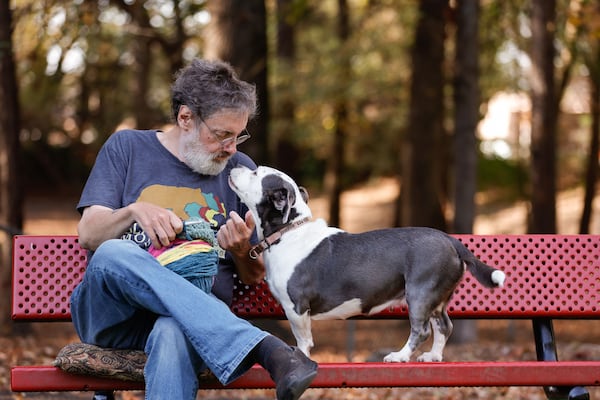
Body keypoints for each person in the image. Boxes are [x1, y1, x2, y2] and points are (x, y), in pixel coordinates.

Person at [71, 58, 317, 400]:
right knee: (113, 251)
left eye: (238, 135)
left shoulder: (240, 172)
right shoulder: (126, 148)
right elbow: (89, 234)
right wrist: (133, 211)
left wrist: (241, 250)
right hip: (115, 318)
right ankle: (265, 348)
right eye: (221, 135)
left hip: (190, 324)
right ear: (185, 118)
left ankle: (253, 344)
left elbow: (254, 275)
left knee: (173, 330)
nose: (232, 148)